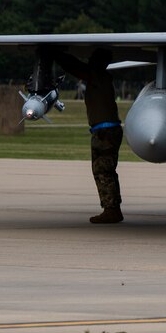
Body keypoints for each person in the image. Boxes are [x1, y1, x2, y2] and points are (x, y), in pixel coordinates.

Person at [54, 48, 125, 224]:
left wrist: (57, 55)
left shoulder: (98, 76)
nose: (90, 61)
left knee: (103, 170)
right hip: (106, 131)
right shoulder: (100, 77)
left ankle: (111, 210)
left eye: (93, 59)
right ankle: (112, 208)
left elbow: (75, 67)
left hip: (105, 132)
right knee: (106, 170)